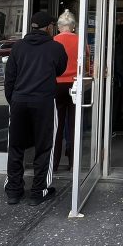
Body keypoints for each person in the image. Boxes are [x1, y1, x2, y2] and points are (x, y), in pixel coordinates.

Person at [4, 11, 67, 206]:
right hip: (43, 102)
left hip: (19, 101)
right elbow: (60, 69)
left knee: (15, 146)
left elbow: (10, 78)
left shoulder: (18, 47)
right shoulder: (55, 48)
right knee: (44, 145)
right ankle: (39, 191)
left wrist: (13, 100)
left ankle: (14, 190)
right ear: (48, 27)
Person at [53, 10, 86, 172]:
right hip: (76, 85)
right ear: (73, 27)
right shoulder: (81, 41)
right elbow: (87, 66)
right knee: (74, 126)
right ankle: (73, 163)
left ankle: (55, 162)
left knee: (57, 126)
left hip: (56, 86)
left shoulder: (53, 41)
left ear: (59, 27)